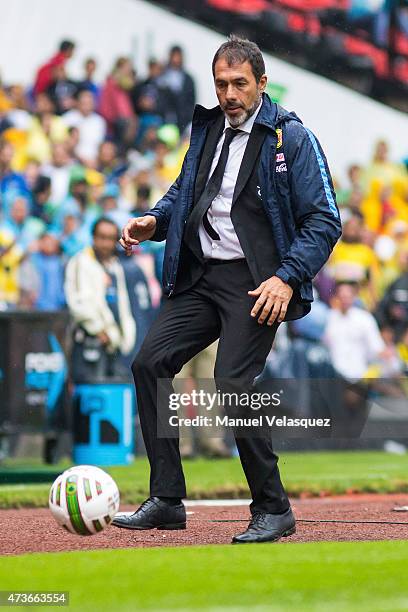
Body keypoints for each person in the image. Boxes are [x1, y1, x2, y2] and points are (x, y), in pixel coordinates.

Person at [114, 35, 342, 543]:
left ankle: (274, 508)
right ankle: (167, 500)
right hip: (201, 276)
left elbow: (325, 220)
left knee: (233, 383)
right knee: (149, 363)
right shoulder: (208, 129)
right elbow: (184, 194)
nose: (229, 94)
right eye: (221, 84)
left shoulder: (291, 138)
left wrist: (286, 278)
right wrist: (155, 220)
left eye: (240, 83)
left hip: (257, 282)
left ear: (262, 83)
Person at [64, 217, 135, 382]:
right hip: (89, 340)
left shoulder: (115, 266)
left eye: (110, 238)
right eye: (101, 237)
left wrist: (126, 335)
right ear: (93, 237)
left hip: (114, 342)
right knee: (89, 394)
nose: (105, 243)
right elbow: (78, 303)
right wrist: (97, 329)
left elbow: (122, 302)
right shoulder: (80, 262)